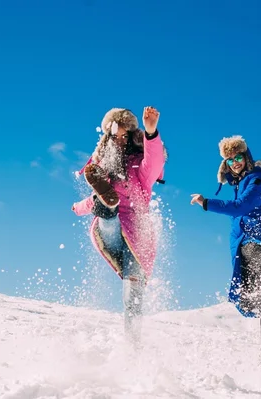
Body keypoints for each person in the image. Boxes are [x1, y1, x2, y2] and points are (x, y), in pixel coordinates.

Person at [190, 135, 261, 350]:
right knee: (260, 301)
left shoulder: (257, 179)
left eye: (238, 157)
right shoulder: (244, 181)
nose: (235, 163)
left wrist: (206, 202)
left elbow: (240, 206)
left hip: (257, 238)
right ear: (226, 164)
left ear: (247, 156)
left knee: (250, 251)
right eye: (230, 160)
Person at [71, 106, 166, 346]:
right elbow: (90, 201)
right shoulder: (104, 169)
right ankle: (107, 204)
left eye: (126, 136)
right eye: (116, 136)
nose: (121, 141)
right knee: (105, 208)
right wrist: (78, 207)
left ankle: (132, 346)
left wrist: (151, 133)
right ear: (108, 137)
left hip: (137, 240)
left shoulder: (140, 169)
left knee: (132, 297)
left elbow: (154, 162)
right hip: (111, 234)